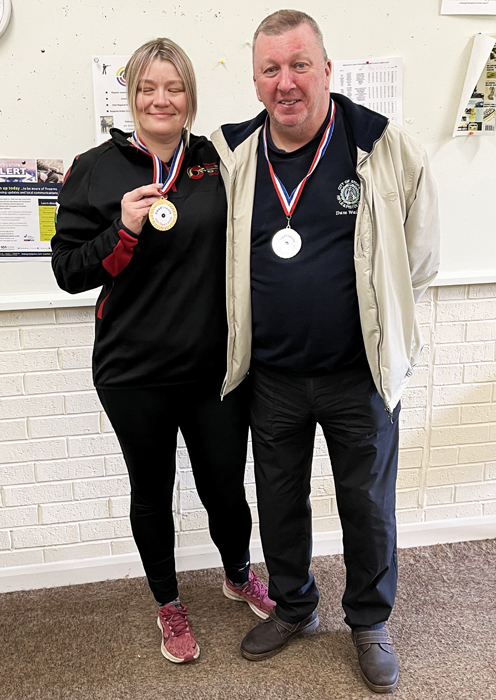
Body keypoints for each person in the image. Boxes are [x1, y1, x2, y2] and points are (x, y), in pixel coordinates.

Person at [211, 10, 439, 693]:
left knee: (366, 503)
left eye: (299, 64)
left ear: (327, 69)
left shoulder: (381, 144)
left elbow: (419, 258)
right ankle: (295, 606)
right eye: (271, 68)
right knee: (278, 501)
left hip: (356, 373)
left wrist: (382, 328)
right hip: (272, 377)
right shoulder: (233, 155)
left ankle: (369, 620)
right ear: (255, 81)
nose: (286, 82)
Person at [51, 37, 273, 666]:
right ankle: (169, 603)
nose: (161, 98)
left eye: (174, 87)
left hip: (212, 368)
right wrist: (121, 228)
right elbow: (67, 269)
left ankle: (236, 572)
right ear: (132, 95)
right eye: (148, 86)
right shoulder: (95, 167)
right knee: (150, 491)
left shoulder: (217, 160)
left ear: (190, 98)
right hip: (132, 371)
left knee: (226, 489)